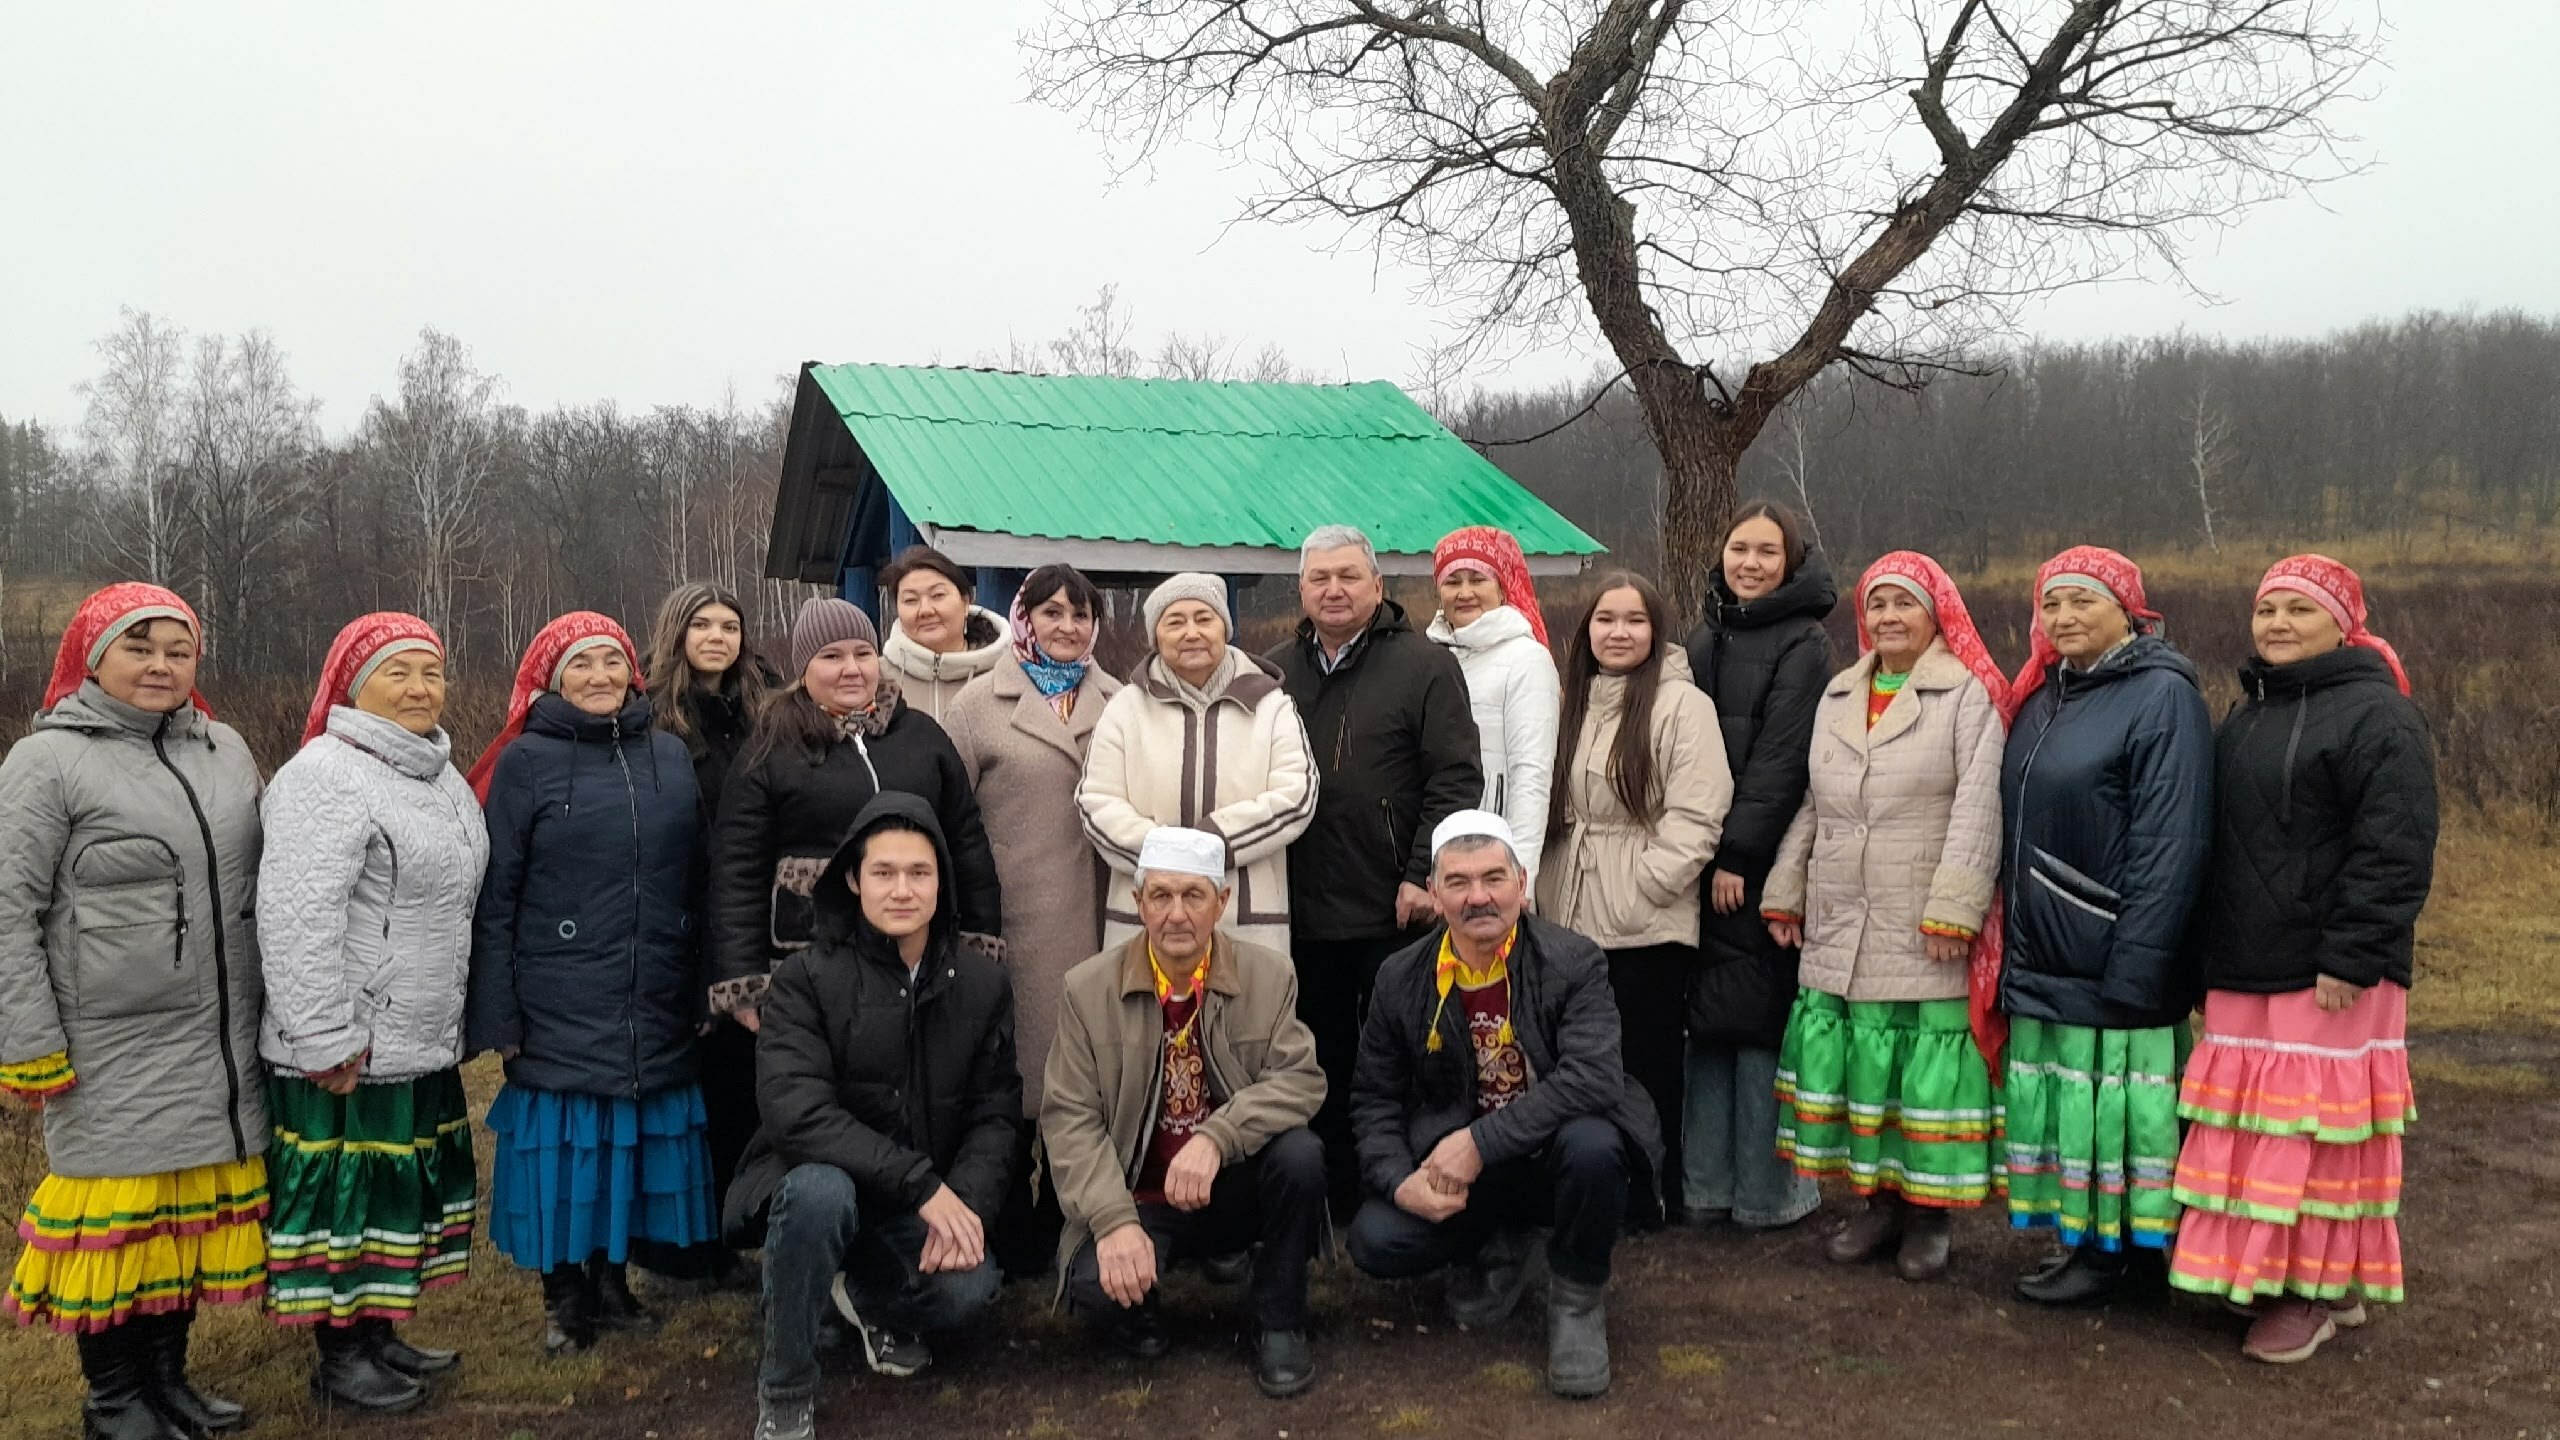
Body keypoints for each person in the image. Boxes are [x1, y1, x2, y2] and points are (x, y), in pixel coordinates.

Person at [0, 585, 267, 1440]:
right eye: (138, 646)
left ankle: (168, 1383)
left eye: (177, 650)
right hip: (108, 1044)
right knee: (115, 1233)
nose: (160, 665)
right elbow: (8, 909)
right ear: (92, 656)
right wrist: (28, 1042)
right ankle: (114, 1398)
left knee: (179, 1226)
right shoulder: (48, 762)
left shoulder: (225, 747)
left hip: (219, 1038)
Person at [2167, 556, 2436, 1364]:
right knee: (2251, 1128)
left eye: (2299, 611)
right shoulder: (2247, 714)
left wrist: (2354, 953)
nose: (2277, 625)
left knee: (2316, 1140)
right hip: (2248, 964)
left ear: (2343, 623)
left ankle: (2317, 1292)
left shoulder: (2379, 718)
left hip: (2331, 972)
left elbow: (2395, 849)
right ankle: (2270, 1273)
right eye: (2266, 610)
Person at [467, 613, 717, 1355]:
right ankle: (563, 1298)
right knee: (567, 1151)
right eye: (581, 665)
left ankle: (613, 1285)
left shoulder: (669, 754)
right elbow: (498, 893)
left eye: (611, 661)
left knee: (629, 1147)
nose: (600, 677)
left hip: (656, 983)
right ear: (551, 679)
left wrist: (704, 979)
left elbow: (699, 878)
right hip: (559, 991)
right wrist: (497, 1009)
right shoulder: (526, 763)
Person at [1347, 811, 1660, 1400]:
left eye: (1494, 878)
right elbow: (1374, 1099)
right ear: (1434, 895)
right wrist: (1396, 1182)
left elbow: (1593, 1078)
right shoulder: (1399, 977)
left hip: (1550, 1158)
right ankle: (1501, 1249)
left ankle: (1575, 1297)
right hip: (1467, 1177)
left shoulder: (1574, 960)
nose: (1478, 897)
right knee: (1376, 1239)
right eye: (1459, 882)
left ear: (1521, 882)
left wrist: (1478, 1142)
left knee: (1594, 1144)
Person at [731, 794, 1016, 1440]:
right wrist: (922, 1183)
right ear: (853, 880)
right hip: (816, 1187)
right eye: (883, 873)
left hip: (916, 1208)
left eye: (919, 873)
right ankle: (785, 1386)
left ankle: (853, 1293)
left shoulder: (980, 984)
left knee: (970, 1288)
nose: (902, 890)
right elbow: (795, 1113)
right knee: (819, 1193)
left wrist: (965, 1206)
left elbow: (993, 1116)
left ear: (941, 882)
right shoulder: (805, 979)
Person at [258, 614, 486, 1413]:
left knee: (398, 1194)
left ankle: (379, 1331)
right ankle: (340, 1355)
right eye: (400, 673)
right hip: (348, 1040)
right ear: (355, 684)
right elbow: (297, 914)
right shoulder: (326, 774)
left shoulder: (438, 774)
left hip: (417, 1033)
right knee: (345, 1201)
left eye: (432, 671)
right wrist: (322, 1034)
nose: (422, 688)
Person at [1760, 554, 2008, 1281]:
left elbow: (1978, 807)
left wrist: (1955, 909)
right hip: (1844, 912)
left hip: (1918, 914)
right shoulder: (1839, 693)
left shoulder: (1966, 696)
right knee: (1865, 1066)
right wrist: (1787, 888)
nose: (1889, 618)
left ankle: (1928, 1215)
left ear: (1938, 616)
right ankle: (1877, 1204)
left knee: (1921, 1070)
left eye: (1905, 604)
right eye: (1878, 605)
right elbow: (1814, 801)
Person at [1998, 545, 2214, 1306]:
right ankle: (2087, 1240)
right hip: (2049, 949)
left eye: (2082, 601)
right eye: (2051, 604)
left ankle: (2130, 1255)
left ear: (2128, 609)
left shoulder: (2162, 695)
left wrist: (2140, 964)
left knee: (2123, 1116)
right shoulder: (2050, 692)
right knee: (2072, 1113)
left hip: (2111, 948)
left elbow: (2172, 841)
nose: (2063, 618)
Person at [1042, 827, 1328, 1398]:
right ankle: (1139, 1306)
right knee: (1096, 1290)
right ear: (1137, 902)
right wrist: (1113, 1220)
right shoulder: (1086, 989)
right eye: (1161, 895)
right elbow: (1070, 1118)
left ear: (1221, 903)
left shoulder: (1270, 977)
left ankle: (1279, 1320)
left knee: (1301, 1156)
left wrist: (1216, 1136)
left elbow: (1301, 1079)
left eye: (1194, 895)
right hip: (1140, 1195)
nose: (1177, 914)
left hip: (1230, 1185)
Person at [1267, 524, 1483, 1210]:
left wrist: (1423, 874)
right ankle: (1331, 1192)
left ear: (1378, 586)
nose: (1334, 590)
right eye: (1319, 578)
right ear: (1301, 589)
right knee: (1319, 1056)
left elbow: (1454, 779)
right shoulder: (1272, 672)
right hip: (1302, 903)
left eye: (1348, 576)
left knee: (1404, 1057)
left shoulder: (1425, 666)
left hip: (1396, 906)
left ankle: (1409, 1184)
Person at [941, 565, 1125, 1275]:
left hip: (1101, 918)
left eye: (1080, 616)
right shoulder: (979, 704)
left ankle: (1071, 1215)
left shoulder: (1119, 700)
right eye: (1052, 613)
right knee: (1013, 1077)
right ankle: (1013, 1222)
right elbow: (951, 818)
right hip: (1012, 921)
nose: (1067, 628)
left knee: (1085, 1076)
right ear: (1024, 617)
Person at [706, 597, 1001, 1030]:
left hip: (919, 953)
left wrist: (979, 943)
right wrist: (744, 979)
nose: (852, 668)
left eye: (863, 653)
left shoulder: (922, 737)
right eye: (832, 656)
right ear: (804, 668)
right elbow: (737, 870)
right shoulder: (770, 748)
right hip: (808, 957)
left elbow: (967, 844)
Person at [1537, 572, 1732, 1220]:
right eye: (1605, 620)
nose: (1619, 633)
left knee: (1644, 1059)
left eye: (1634, 620)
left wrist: (1650, 886)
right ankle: (1590, 1185)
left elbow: (1699, 812)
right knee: (1575, 1057)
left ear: (1656, 631)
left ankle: (1651, 1192)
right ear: (1586, 630)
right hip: (1568, 906)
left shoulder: (1681, 706)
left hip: (1643, 918)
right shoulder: (1571, 701)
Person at [1680, 502, 1834, 1232]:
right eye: (1740, 548)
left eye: (1767, 553)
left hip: (1757, 858)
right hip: (1697, 851)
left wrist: (1738, 851)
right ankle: (1706, 1184)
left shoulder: (1804, 642)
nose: (1751, 563)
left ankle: (1772, 1195)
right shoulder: (1705, 632)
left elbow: (1781, 756)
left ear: (1791, 562)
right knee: (1705, 1019)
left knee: (1758, 1018)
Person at [640, 581, 779, 1289]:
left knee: (742, 1080)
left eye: (731, 624)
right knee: (686, 1081)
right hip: (680, 912)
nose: (719, 637)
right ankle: (680, 1241)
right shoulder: (654, 719)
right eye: (704, 625)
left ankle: (737, 1223)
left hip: (753, 910)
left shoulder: (767, 705)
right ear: (678, 633)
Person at [1081, 572, 1318, 953]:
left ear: (1224, 628)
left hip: (1246, 921)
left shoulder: (1271, 705)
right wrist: (1166, 855)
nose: (1191, 632)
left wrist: (1210, 844)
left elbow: (1297, 795)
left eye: (1204, 619)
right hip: (1146, 920)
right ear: (1155, 636)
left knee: (1248, 1012)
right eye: (1175, 622)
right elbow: (1096, 803)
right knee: (1149, 1012)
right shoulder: (1125, 709)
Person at [1426, 526, 1560, 885]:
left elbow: (1532, 772)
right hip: (1438, 849)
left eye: (1477, 580)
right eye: (1452, 581)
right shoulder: (1427, 658)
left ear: (1501, 588)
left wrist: (1521, 876)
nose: (1465, 592)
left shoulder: (1526, 659)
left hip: (1493, 854)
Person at [878, 544, 1012, 722]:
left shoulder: (1007, 673)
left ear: (965, 602)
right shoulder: (876, 677)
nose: (925, 610)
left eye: (937, 595)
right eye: (911, 600)